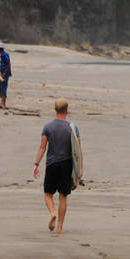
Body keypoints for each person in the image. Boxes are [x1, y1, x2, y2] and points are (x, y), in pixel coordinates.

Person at [33, 98, 82, 234]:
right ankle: (60, 228)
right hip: (67, 165)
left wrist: (36, 164)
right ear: (67, 110)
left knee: (48, 194)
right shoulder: (73, 128)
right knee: (63, 197)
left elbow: (42, 147)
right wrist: (79, 169)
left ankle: (52, 213)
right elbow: (78, 150)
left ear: (55, 109)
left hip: (52, 164)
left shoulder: (48, 127)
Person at [0, 42, 11, 108]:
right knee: (1, 88)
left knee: (3, 87)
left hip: (5, 74)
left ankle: (3, 103)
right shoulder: (2, 55)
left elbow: (9, 64)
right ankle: (1, 102)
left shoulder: (5, 55)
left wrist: (4, 73)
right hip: (3, 73)